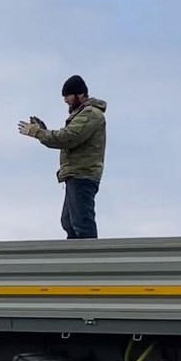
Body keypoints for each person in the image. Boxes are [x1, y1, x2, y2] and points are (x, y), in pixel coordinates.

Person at [18, 74, 107, 239]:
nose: (65, 100)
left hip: (82, 174)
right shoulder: (83, 114)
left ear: (80, 94)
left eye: (68, 96)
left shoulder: (90, 114)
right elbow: (66, 137)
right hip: (77, 174)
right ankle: (77, 259)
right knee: (69, 222)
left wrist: (37, 132)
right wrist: (43, 131)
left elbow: (68, 138)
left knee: (81, 223)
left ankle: (88, 260)